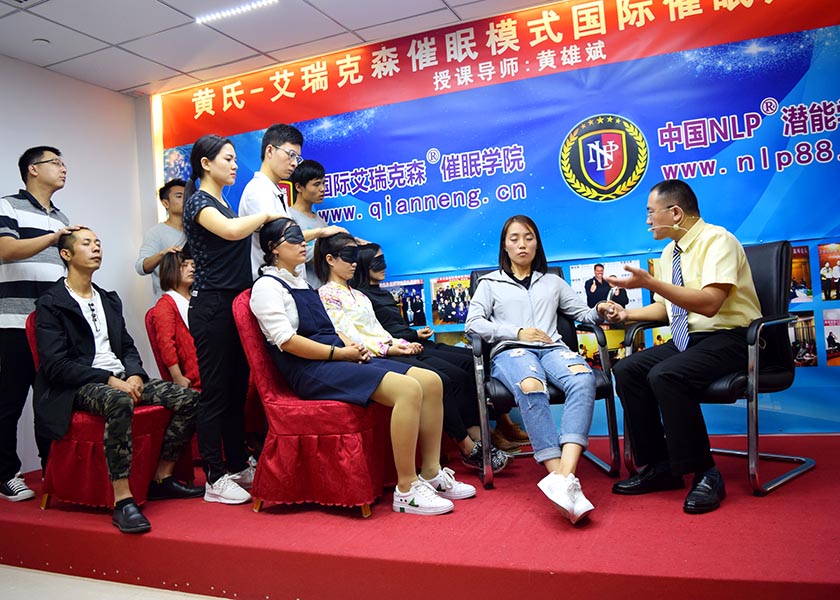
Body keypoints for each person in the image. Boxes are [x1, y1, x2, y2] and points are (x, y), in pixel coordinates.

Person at [250, 218, 473, 514]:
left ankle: (431, 473)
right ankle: (406, 489)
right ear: (273, 248)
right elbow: (288, 342)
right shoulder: (266, 287)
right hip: (309, 369)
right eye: (293, 237)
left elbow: (330, 328)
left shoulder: (301, 283)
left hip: (335, 356)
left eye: (302, 236)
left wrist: (351, 348)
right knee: (408, 390)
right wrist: (338, 353)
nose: (303, 242)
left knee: (431, 381)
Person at [604, 179, 762, 515]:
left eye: (651, 212)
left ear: (675, 213)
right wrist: (626, 314)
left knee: (666, 374)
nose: (648, 221)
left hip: (735, 339)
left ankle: (706, 473)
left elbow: (710, 303)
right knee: (627, 369)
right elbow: (666, 309)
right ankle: (661, 466)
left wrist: (652, 282)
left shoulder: (718, 241)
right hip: (689, 339)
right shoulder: (669, 253)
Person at [33, 228, 203, 533]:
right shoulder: (51, 303)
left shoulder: (108, 299)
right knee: (120, 400)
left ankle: (161, 477)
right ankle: (123, 499)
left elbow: (126, 346)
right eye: (87, 243)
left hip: (119, 376)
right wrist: (109, 379)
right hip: (78, 385)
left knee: (189, 398)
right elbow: (56, 366)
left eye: (98, 242)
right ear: (66, 254)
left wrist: (135, 374)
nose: (96, 248)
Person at [465, 215, 614, 525]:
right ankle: (560, 476)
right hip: (512, 351)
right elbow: (473, 324)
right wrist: (517, 332)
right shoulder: (489, 284)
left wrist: (600, 309)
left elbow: (583, 313)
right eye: (515, 238)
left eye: (529, 237)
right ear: (505, 246)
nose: (522, 244)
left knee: (584, 379)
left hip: (553, 349)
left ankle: (564, 477)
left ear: (537, 244)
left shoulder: (552, 282)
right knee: (531, 385)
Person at [316, 233, 484, 489]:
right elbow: (348, 336)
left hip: (384, 351)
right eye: (348, 257)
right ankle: (413, 481)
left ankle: (432, 471)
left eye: (355, 257)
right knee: (431, 381)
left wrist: (400, 344)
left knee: (437, 380)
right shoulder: (326, 294)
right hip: (366, 359)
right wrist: (391, 348)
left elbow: (377, 331)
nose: (354, 263)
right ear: (330, 259)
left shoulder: (359, 296)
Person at [183, 134, 283, 505]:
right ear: (206, 163)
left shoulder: (224, 203)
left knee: (237, 389)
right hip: (211, 306)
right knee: (216, 392)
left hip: (235, 304)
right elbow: (230, 231)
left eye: (236, 159)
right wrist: (266, 215)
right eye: (228, 158)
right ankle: (213, 475)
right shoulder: (199, 201)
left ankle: (237, 462)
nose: (235, 165)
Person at [351, 242, 509, 473]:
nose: (383, 265)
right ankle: (468, 442)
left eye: (383, 259)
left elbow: (394, 327)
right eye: (376, 261)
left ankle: (487, 427)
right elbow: (380, 334)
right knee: (450, 376)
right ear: (363, 265)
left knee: (471, 359)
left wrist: (414, 335)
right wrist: (411, 337)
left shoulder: (382, 293)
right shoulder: (361, 297)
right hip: (397, 349)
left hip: (411, 341)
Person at [0, 146, 81, 502]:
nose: (64, 168)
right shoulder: (8, 206)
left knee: (52, 402)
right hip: (15, 321)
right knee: (9, 401)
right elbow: (6, 250)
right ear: (33, 169)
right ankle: (5, 474)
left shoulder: (61, 216)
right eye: (56, 163)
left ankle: (54, 472)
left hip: (52, 328)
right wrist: (54, 237)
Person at [238, 124, 344, 279]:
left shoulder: (273, 191)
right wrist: (320, 232)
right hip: (272, 282)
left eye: (297, 158)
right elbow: (280, 239)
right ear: (270, 151)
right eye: (291, 155)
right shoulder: (258, 190)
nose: (294, 163)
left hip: (287, 280)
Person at [148, 251, 199, 390]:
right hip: (195, 372)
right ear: (171, 270)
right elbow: (166, 344)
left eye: (193, 265)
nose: (191, 269)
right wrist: (177, 377)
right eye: (185, 265)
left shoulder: (198, 298)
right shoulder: (165, 305)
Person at [135, 179, 186, 298]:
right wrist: (162, 254)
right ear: (165, 203)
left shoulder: (195, 231)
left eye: (187, 195)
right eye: (179, 196)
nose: (185, 199)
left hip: (195, 302)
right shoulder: (155, 233)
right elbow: (141, 267)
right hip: (168, 302)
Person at [289, 159, 330, 289]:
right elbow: (293, 252)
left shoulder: (321, 222)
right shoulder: (289, 217)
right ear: (298, 187)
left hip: (323, 290)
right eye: (316, 184)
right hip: (304, 289)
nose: (322, 189)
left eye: (323, 183)